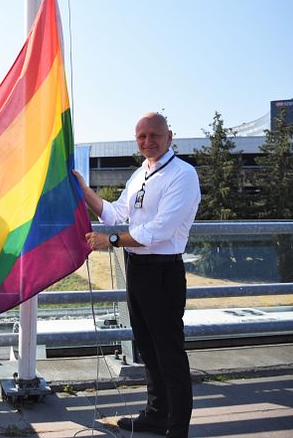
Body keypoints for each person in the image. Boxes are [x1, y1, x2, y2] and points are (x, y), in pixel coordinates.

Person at [74, 112, 200, 438]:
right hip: (137, 269)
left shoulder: (182, 175)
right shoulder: (140, 174)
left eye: (154, 135)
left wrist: (112, 240)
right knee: (147, 346)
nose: (148, 141)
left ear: (170, 136)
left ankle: (177, 428)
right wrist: (85, 190)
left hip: (163, 271)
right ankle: (157, 415)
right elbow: (117, 213)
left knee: (169, 352)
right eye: (141, 136)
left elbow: (161, 230)